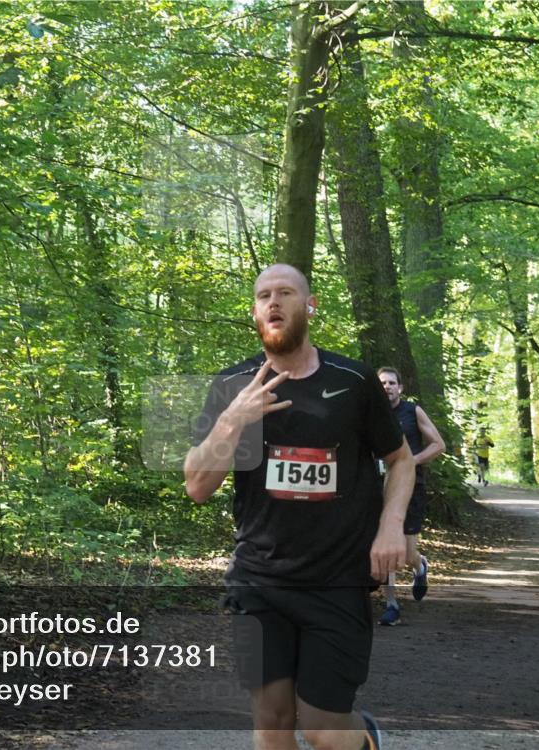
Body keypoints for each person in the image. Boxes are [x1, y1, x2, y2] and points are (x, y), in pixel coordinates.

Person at [184, 264, 415, 750]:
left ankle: (365, 739)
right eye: (264, 295)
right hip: (259, 579)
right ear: (254, 312)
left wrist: (391, 525)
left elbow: (399, 460)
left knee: (323, 731)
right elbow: (198, 486)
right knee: (271, 721)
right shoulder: (234, 386)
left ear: (308, 305)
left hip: (337, 579)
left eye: (285, 293)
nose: (274, 302)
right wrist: (232, 421)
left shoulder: (352, 381)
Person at [375, 367, 445, 627]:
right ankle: (391, 603)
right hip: (377, 486)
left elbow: (438, 444)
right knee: (384, 547)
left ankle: (419, 564)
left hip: (409, 485)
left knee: (404, 553)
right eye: (382, 383)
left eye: (392, 383)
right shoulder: (370, 413)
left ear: (400, 388)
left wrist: (410, 461)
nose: (387, 387)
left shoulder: (412, 411)